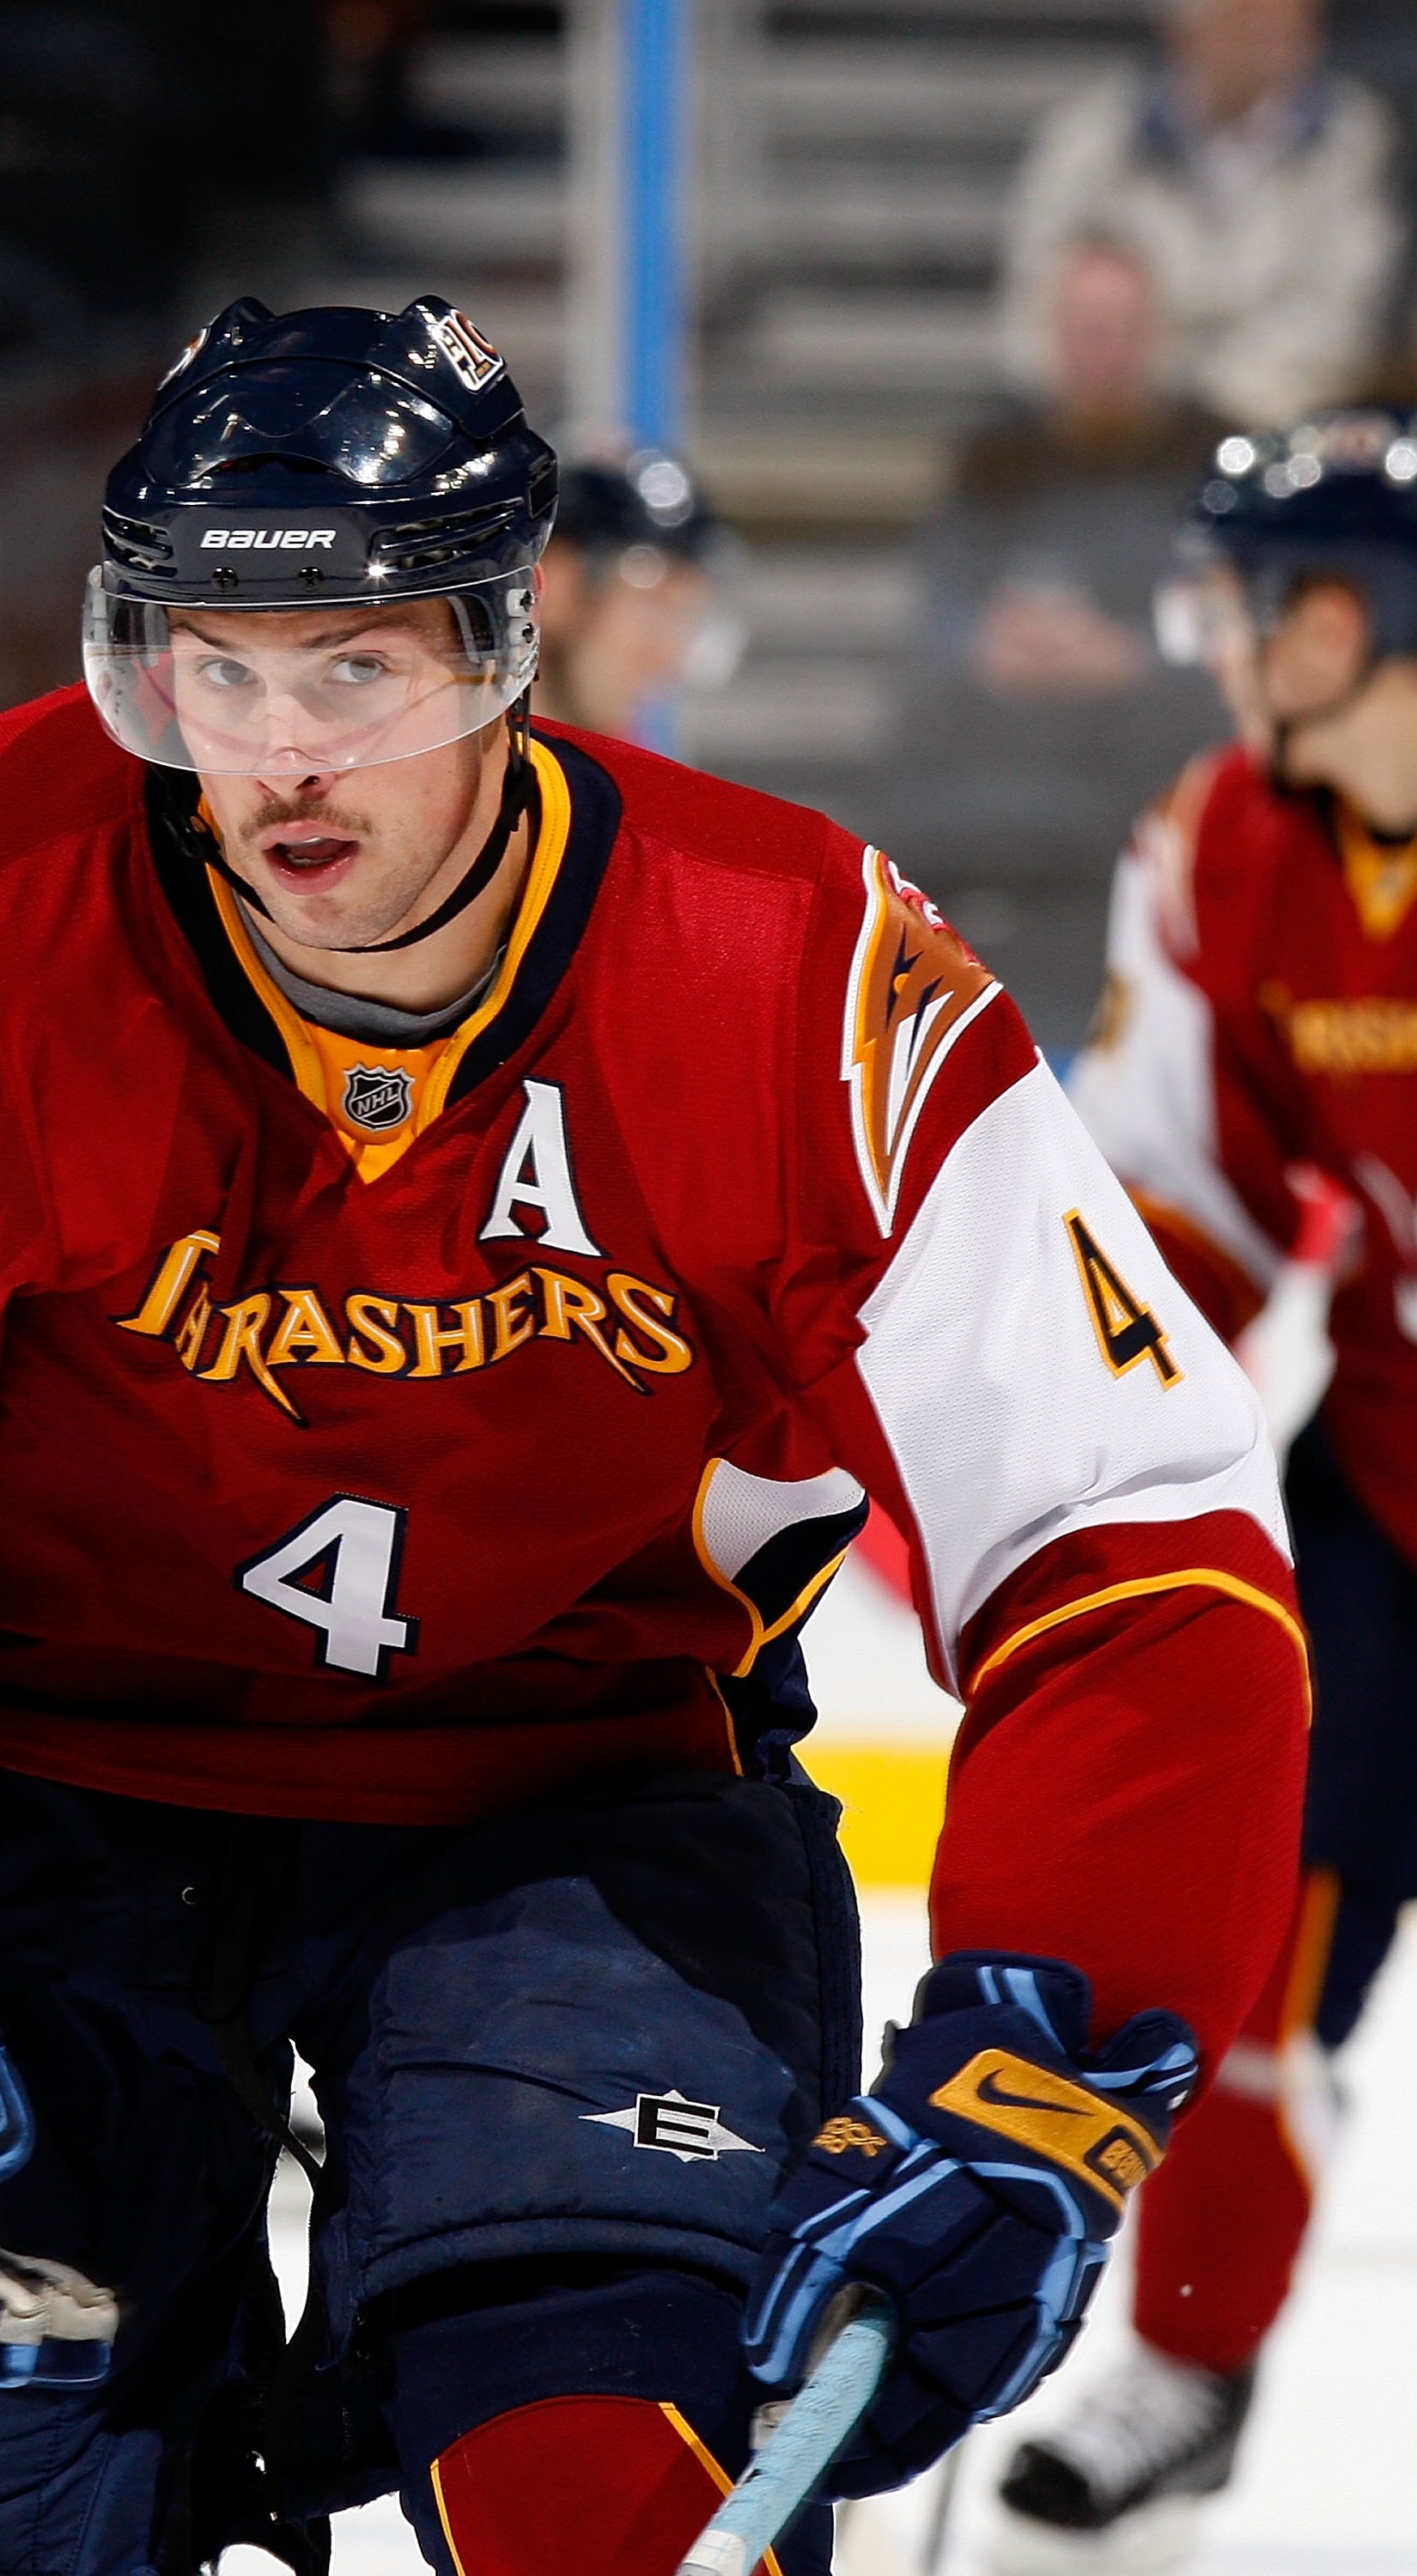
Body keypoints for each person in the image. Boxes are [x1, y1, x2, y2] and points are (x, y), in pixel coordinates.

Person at [0, 296, 1306, 2576]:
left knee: (609, 2485)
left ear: (500, 654)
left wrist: (1052, 2052)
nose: (277, 761)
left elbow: (1133, 1536)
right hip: (22, 1795)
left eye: (351, 671)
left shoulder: (784, 970)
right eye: (214, 668)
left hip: (567, 1807)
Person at [999, 410, 1417, 2567]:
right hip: (1387, 1480)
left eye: (1239, 604)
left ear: (1333, 623)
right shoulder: (1226, 841)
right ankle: (1189, 2354)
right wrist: (1047, 1422)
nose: (1212, 646)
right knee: (1243, 1943)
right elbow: (1181, 1209)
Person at [883, 238, 1227, 1052]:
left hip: (1148, 788)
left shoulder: (1212, 458)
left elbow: (1232, 638)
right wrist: (983, 644)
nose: (1100, 348)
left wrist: (1133, 658)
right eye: (1084, 326)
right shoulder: (992, 456)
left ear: (1155, 335)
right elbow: (933, 619)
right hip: (998, 794)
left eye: (1120, 327)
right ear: (1050, 332)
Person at [999, 0, 1402, 432]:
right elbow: (1035, 294)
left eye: (1291, 21)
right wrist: (1136, 386)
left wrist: (1217, 398)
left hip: (1284, 421)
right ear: (1187, 31)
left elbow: (1344, 310)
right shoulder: (1094, 135)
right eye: (1247, 20)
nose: (1272, 35)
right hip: (1119, 426)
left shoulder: (1351, 138)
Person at [531, 448, 744, 745]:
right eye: (653, 607)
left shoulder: (635, 782)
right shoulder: (450, 746)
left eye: (684, 619)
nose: (666, 658)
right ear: (555, 583)